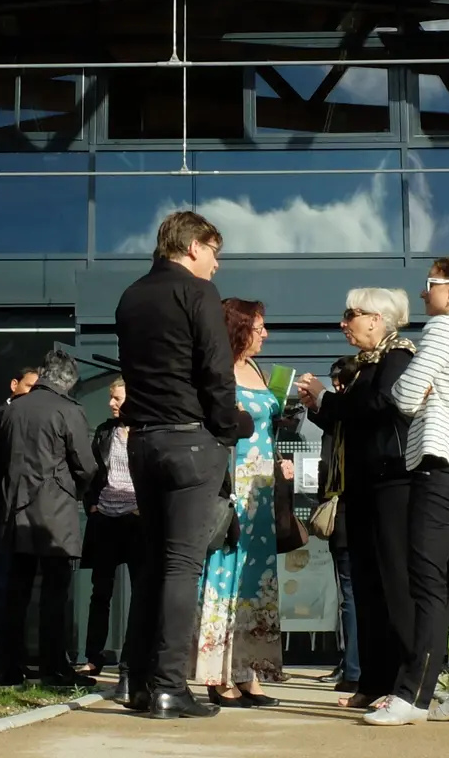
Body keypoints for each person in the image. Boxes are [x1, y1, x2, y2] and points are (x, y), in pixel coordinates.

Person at [114, 210, 253, 720]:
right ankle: (171, 686)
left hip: (143, 442)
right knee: (180, 565)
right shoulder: (198, 294)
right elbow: (216, 371)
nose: (217, 264)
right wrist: (228, 426)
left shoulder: (131, 296)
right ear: (193, 246)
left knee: (155, 565)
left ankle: (139, 684)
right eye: (215, 252)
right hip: (190, 440)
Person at [366, 256, 449, 727]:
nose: (423, 294)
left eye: (430, 285)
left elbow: (402, 397)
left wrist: (418, 392)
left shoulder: (443, 331)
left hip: (439, 465)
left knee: (425, 581)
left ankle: (413, 696)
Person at [294, 291, 416, 712]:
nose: (344, 322)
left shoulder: (397, 357)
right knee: (366, 587)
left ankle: (404, 683)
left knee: (393, 585)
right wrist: (321, 405)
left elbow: (380, 404)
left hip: (392, 483)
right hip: (362, 487)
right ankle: (372, 680)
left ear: (377, 319)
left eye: (352, 315)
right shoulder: (366, 366)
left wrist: (331, 399)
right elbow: (351, 417)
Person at [193, 298, 296, 707]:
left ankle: (249, 669)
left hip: (263, 489)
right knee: (224, 571)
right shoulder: (216, 370)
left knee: (257, 578)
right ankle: (217, 675)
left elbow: (266, 424)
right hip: (232, 483)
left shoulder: (256, 370)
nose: (265, 333)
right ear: (237, 328)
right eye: (258, 327)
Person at [0, 348, 98, 688]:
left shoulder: (11, 411)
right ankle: (54, 667)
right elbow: (85, 464)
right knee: (56, 593)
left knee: (16, 592)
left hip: (15, 509)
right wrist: (80, 491)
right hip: (54, 512)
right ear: (68, 382)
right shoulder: (69, 411)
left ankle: (9, 667)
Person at [0, 367, 39, 679]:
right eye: (29, 386)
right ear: (14, 384)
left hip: (18, 515)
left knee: (16, 588)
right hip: (0, 515)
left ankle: (12, 655)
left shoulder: (17, 417)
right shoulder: (0, 418)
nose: (33, 393)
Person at [82, 377, 142, 677]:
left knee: (140, 591)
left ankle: (132, 661)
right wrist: (91, 505)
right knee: (100, 591)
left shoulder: (147, 431)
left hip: (135, 519)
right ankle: (93, 657)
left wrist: (144, 508)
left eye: (117, 398)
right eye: (110, 397)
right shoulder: (105, 431)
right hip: (105, 516)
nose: (111, 403)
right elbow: (92, 471)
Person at [317, 355, 360, 695]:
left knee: (351, 595)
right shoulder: (341, 421)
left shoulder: (351, 419)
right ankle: (351, 663)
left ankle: (354, 667)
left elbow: (333, 417)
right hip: (345, 515)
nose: (336, 390)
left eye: (341, 384)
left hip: (350, 514)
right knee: (350, 594)